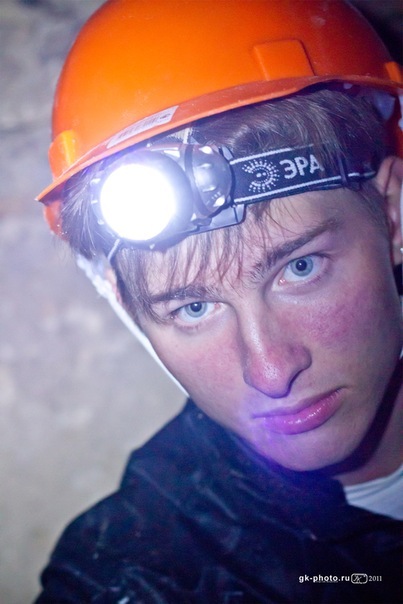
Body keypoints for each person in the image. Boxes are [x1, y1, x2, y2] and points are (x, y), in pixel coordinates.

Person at [34, 1, 402, 602]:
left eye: (300, 268)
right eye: (193, 308)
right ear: (127, 308)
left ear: (392, 214)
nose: (271, 372)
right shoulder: (132, 574)